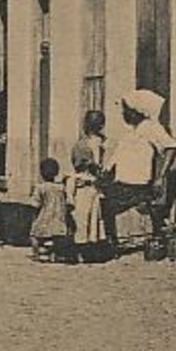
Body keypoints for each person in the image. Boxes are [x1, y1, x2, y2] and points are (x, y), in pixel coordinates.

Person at [99, 89, 176, 243]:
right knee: (102, 201)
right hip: (122, 182)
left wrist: (160, 177)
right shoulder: (130, 130)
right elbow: (118, 155)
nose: (123, 114)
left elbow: (172, 147)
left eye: (126, 110)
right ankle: (111, 241)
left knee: (106, 205)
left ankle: (112, 242)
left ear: (137, 111)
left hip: (138, 184)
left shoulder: (151, 127)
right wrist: (106, 171)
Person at [68, 110, 108, 258]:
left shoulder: (99, 143)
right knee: (84, 218)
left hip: (94, 185)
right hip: (85, 185)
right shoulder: (83, 145)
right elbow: (79, 165)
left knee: (93, 219)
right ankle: (83, 250)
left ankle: (90, 249)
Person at [30, 158, 72, 262]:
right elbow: (68, 202)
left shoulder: (40, 188)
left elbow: (35, 204)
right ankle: (54, 254)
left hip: (44, 217)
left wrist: (33, 217)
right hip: (58, 219)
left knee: (34, 236)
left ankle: (36, 254)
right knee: (56, 238)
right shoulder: (61, 188)